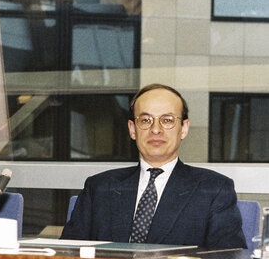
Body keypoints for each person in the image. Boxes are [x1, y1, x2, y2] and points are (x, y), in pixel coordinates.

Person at [62, 84, 246, 249]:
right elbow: (67, 254)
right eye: (145, 120)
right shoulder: (99, 187)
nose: (155, 129)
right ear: (132, 129)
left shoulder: (214, 189)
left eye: (167, 120)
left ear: (184, 128)